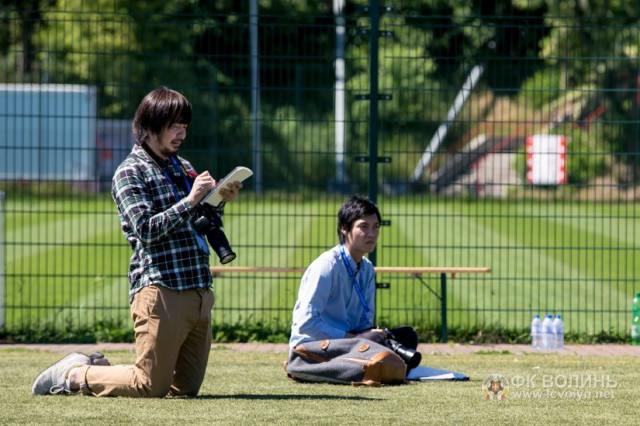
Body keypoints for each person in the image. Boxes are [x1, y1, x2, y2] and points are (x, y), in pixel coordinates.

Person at [32, 86, 243, 397]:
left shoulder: (183, 167)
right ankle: (75, 373)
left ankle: (100, 368)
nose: (181, 134)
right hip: (161, 288)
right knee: (149, 385)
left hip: (198, 288)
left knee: (185, 389)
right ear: (150, 126)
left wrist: (217, 200)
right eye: (174, 126)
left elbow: (199, 221)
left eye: (184, 126)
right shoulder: (129, 173)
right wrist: (190, 200)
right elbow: (146, 230)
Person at [289, 195, 419, 359]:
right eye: (363, 227)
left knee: (407, 336)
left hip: (347, 343)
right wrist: (354, 339)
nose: (371, 234)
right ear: (344, 228)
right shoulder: (327, 266)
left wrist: (373, 334)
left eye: (376, 227)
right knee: (379, 352)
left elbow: (364, 324)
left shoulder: (367, 268)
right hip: (313, 349)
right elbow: (305, 323)